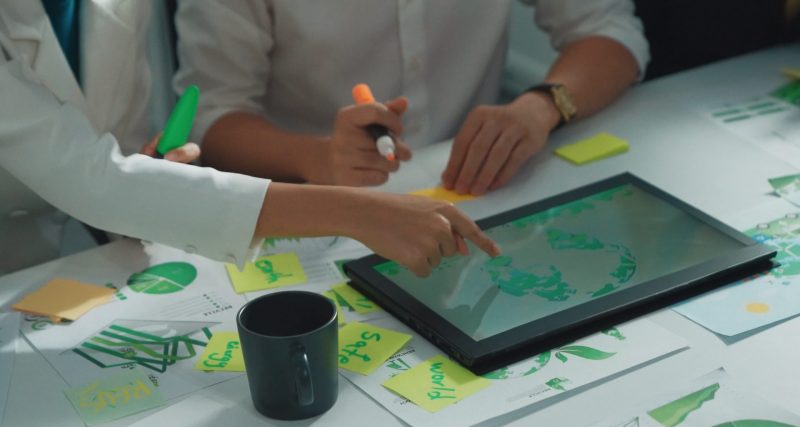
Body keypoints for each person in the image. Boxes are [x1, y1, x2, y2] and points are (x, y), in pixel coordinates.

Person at [0, 0, 498, 278]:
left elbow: (116, 151)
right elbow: (97, 178)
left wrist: (156, 173)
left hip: (95, 262)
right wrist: (356, 211)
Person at [174, 0, 649, 196]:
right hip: (311, 201)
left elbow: (608, 29)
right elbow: (210, 113)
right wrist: (316, 157)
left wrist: (541, 106)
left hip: (480, 189)